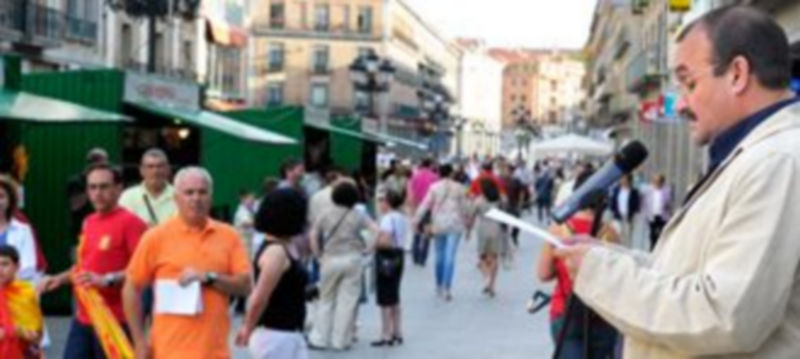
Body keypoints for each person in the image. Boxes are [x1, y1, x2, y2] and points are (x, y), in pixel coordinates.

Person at [555, 7, 800, 357]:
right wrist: (608, 257)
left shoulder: (776, 161)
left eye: (689, 82)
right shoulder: (755, 156)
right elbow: (690, 277)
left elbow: (723, 315)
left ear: (737, 74)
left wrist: (600, 274)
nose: (681, 103)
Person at [123, 167, 252, 359]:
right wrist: (140, 341)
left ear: (211, 197)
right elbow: (131, 288)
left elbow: (245, 285)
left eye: (202, 192)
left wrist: (208, 277)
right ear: (176, 198)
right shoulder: (156, 237)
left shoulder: (229, 236)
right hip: (167, 352)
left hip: (213, 353)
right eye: (189, 192)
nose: (196, 198)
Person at [38, 163, 148, 359]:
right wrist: (60, 279)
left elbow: (143, 271)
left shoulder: (132, 223)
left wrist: (107, 280)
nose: (98, 193)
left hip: (115, 320)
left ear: (118, 188)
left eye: (104, 187)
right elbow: (84, 266)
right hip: (84, 317)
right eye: (93, 187)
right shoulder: (89, 222)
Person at [538, 167, 619, 358]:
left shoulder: (558, 229)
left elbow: (543, 273)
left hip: (565, 313)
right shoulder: (611, 233)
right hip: (601, 317)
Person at [235, 188, 309, 359]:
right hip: (275, 335)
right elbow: (260, 297)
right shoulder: (276, 252)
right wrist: (247, 327)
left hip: (287, 334)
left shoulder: (284, 246)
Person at [308, 182, 378, 351]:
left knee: (326, 299)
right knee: (347, 301)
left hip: (330, 258)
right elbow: (375, 229)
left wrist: (317, 255)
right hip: (353, 259)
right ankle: (340, 340)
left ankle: (320, 338)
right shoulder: (359, 215)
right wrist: (369, 249)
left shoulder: (326, 213)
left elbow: (314, 234)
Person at [413, 164, 469, 301]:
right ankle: (447, 288)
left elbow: (425, 204)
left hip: (438, 224)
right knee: (450, 257)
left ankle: (438, 285)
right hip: (455, 224)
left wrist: (416, 220)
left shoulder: (434, 187)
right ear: (451, 173)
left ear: (439, 174)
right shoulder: (459, 188)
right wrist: (468, 222)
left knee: (439, 255)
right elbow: (465, 208)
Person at [371, 190, 408, 347]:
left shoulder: (387, 219)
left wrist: (372, 245)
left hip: (386, 257)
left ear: (387, 203)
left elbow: (385, 241)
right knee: (394, 293)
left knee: (385, 296)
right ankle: (397, 331)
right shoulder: (401, 218)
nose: (380, 204)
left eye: (382, 201)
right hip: (399, 255)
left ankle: (385, 333)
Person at [0, 245, 43, 358]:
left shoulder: (25, 293)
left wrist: (15, 331)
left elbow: (36, 335)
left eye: (5, 264)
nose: (0, 269)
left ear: (17, 266)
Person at [118, 148, 177, 227]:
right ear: (141, 170)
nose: (155, 171)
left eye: (160, 166)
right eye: (150, 167)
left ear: (168, 169)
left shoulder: (180, 196)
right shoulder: (128, 197)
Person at [469, 179, 506, 298]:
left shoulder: (479, 201)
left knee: (482, 257)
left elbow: (472, 215)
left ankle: (487, 277)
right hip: (496, 228)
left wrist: (468, 230)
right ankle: (492, 286)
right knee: (494, 258)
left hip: (483, 229)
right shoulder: (499, 200)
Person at [0, 176, 36, 283]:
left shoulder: (23, 231)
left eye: (1, 196)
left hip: (14, 294)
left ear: (9, 200)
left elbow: (28, 269)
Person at [66, 148, 108, 239]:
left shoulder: (105, 181)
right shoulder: (76, 181)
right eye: (101, 165)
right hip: (82, 232)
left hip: (103, 230)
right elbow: (75, 206)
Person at [408, 158, 438, 267]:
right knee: (426, 232)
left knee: (416, 231)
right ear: (430, 165)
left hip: (417, 206)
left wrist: (411, 208)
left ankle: (415, 256)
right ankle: (423, 258)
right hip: (429, 208)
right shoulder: (434, 177)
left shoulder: (415, 176)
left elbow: (411, 193)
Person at [608, 173, 641, 247]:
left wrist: (634, 215)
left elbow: (636, 204)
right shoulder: (616, 190)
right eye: (621, 179)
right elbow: (613, 202)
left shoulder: (634, 191)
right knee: (617, 234)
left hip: (628, 216)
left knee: (627, 236)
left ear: (629, 180)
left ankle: (625, 250)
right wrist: (612, 213)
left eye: (625, 179)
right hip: (617, 216)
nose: (623, 180)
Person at [643, 174, 671, 250]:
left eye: (659, 181)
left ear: (662, 182)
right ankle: (652, 248)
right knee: (652, 234)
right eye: (655, 181)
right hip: (652, 215)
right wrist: (646, 214)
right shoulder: (649, 191)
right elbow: (645, 203)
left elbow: (668, 203)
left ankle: (661, 248)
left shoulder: (666, 191)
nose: (657, 183)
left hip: (662, 215)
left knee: (661, 232)